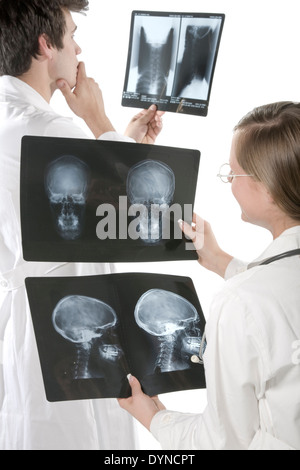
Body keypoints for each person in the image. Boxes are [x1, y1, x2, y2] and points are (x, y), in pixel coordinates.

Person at [0, 0, 163, 450]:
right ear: (46, 45)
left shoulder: (10, 120)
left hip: (27, 321)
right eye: (71, 35)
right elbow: (135, 214)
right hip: (65, 320)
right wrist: (98, 120)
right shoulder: (50, 129)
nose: (79, 47)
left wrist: (121, 143)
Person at [119, 102, 300, 451]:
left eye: (234, 173)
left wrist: (153, 417)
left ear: (268, 186)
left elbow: (225, 442)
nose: (229, 182)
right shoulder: (252, 295)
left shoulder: (240, 302)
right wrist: (221, 262)